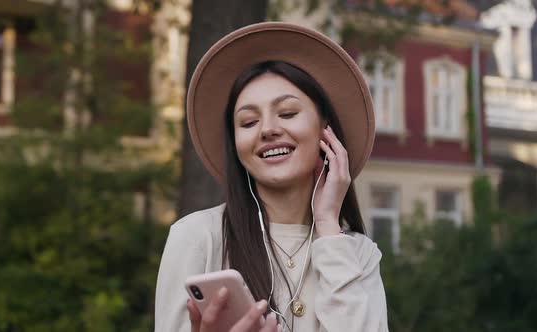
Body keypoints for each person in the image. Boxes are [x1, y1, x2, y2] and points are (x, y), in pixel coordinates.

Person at [154, 22, 389, 332]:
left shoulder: (359, 255)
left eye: (288, 113)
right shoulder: (197, 238)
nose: (267, 130)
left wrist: (328, 225)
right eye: (249, 122)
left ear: (325, 130)